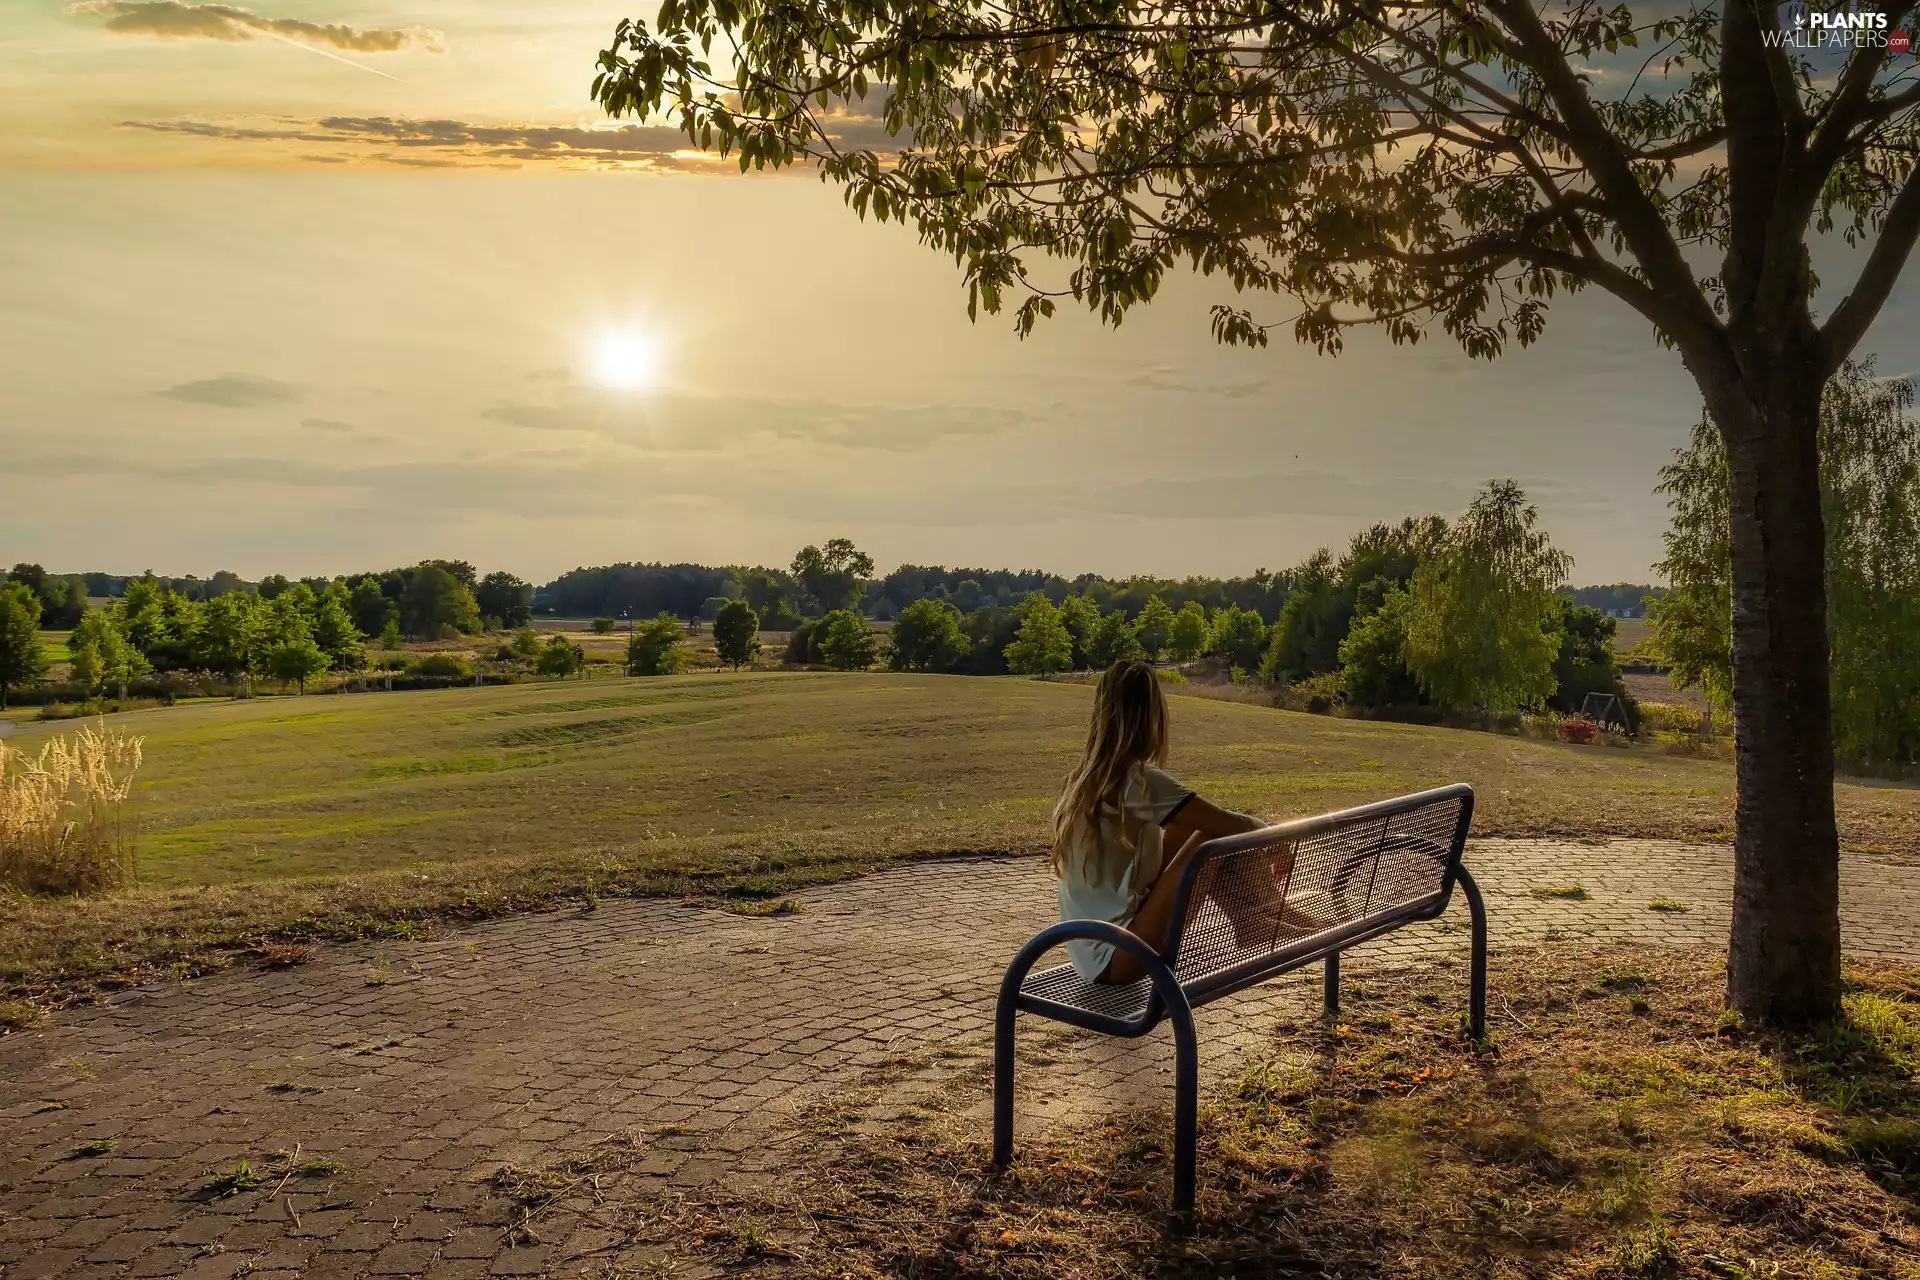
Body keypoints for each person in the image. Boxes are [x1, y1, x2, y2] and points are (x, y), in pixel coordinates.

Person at [1052, 660, 1303, 984]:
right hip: (1121, 956)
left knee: (1190, 826)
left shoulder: (1081, 780)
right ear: (1153, 716)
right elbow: (1229, 823)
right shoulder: (1136, 780)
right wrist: (1277, 839)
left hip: (1090, 951)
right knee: (1208, 836)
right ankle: (1261, 920)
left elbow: (1219, 820)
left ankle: (1259, 918)